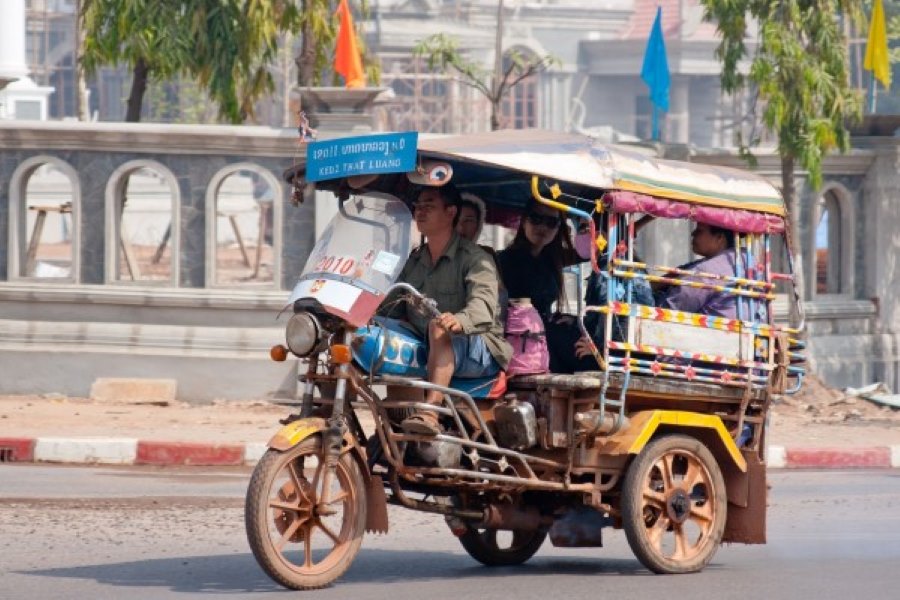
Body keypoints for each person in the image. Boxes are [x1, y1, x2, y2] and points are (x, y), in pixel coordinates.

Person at [393, 185, 511, 436]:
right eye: (418, 206)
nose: (420, 211)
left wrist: (459, 319)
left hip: (479, 347)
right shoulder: (414, 261)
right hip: (428, 343)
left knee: (439, 326)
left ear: (450, 212)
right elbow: (391, 304)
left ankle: (430, 412)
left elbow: (483, 307)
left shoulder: (475, 259)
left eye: (429, 205)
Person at [496, 202, 586, 373]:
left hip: (544, 332)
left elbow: (591, 252)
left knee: (578, 336)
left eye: (551, 222)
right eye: (536, 219)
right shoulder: (506, 260)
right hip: (519, 337)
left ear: (558, 227)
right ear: (523, 221)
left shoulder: (551, 259)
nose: (543, 227)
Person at [655, 222, 737, 318]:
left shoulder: (707, 270)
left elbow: (672, 307)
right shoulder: (740, 258)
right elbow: (676, 273)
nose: (692, 233)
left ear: (719, 237)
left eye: (699, 231)